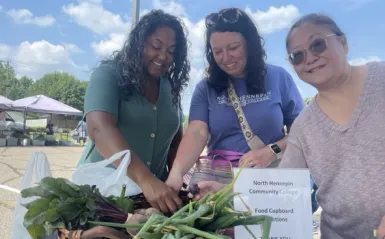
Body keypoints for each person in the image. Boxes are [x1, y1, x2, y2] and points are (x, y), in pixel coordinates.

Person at [166, 8, 303, 192]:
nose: (225, 58)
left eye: (233, 48)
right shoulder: (205, 88)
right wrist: (176, 172)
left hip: (268, 181)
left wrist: (271, 151)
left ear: (249, 44)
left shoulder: (278, 77)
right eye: (217, 51)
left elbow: (302, 130)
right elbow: (197, 133)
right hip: (217, 183)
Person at [278, 13, 385, 238]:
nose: (309, 58)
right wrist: (231, 195)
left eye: (317, 44)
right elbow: (279, 188)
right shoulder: (303, 126)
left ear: (343, 42)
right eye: (297, 56)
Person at [77, 10, 190, 213]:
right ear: (139, 43)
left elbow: (175, 142)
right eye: (156, 46)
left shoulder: (170, 87)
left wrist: (180, 180)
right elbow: (99, 128)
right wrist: (146, 180)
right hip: (102, 196)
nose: (163, 56)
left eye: (171, 51)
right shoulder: (109, 74)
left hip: (151, 203)